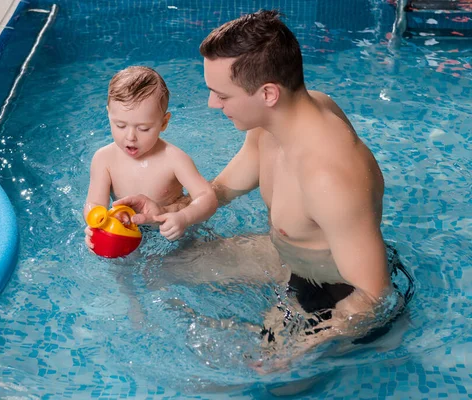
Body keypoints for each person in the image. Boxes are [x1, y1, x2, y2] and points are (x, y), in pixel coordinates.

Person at [114, 10, 402, 365]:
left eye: (222, 95)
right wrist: (169, 211)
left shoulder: (330, 177)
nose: (212, 104)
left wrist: (292, 355)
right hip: (289, 256)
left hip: (335, 292)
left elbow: (374, 295)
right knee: (160, 269)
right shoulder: (273, 123)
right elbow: (221, 189)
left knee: (255, 382)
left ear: (267, 93)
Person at [84, 66, 217, 248]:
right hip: (126, 229)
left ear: (163, 123)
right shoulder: (104, 159)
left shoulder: (174, 159)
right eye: (120, 125)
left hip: (170, 229)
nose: (130, 136)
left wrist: (184, 218)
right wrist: (96, 226)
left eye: (144, 128)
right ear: (109, 114)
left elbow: (207, 197)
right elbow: (94, 202)